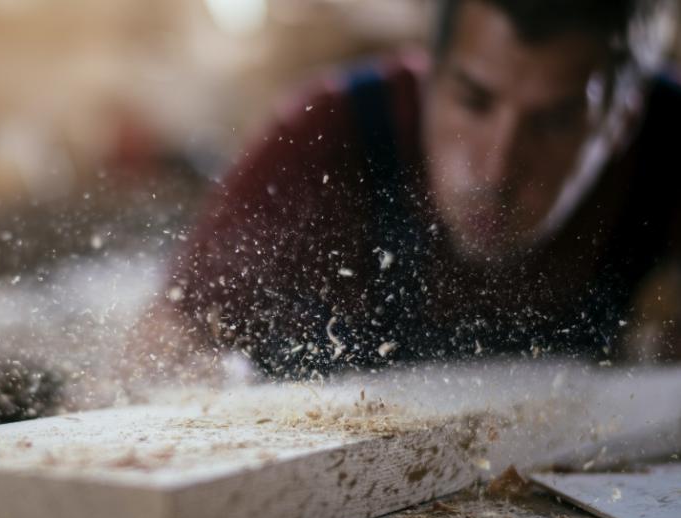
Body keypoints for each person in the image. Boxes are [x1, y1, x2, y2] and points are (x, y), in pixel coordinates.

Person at [134, 0, 681, 382]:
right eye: (473, 101)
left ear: (623, 120)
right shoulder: (325, 142)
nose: (497, 170)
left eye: (553, 122)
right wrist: (193, 379)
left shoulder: (669, 146)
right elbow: (165, 342)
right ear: (428, 75)